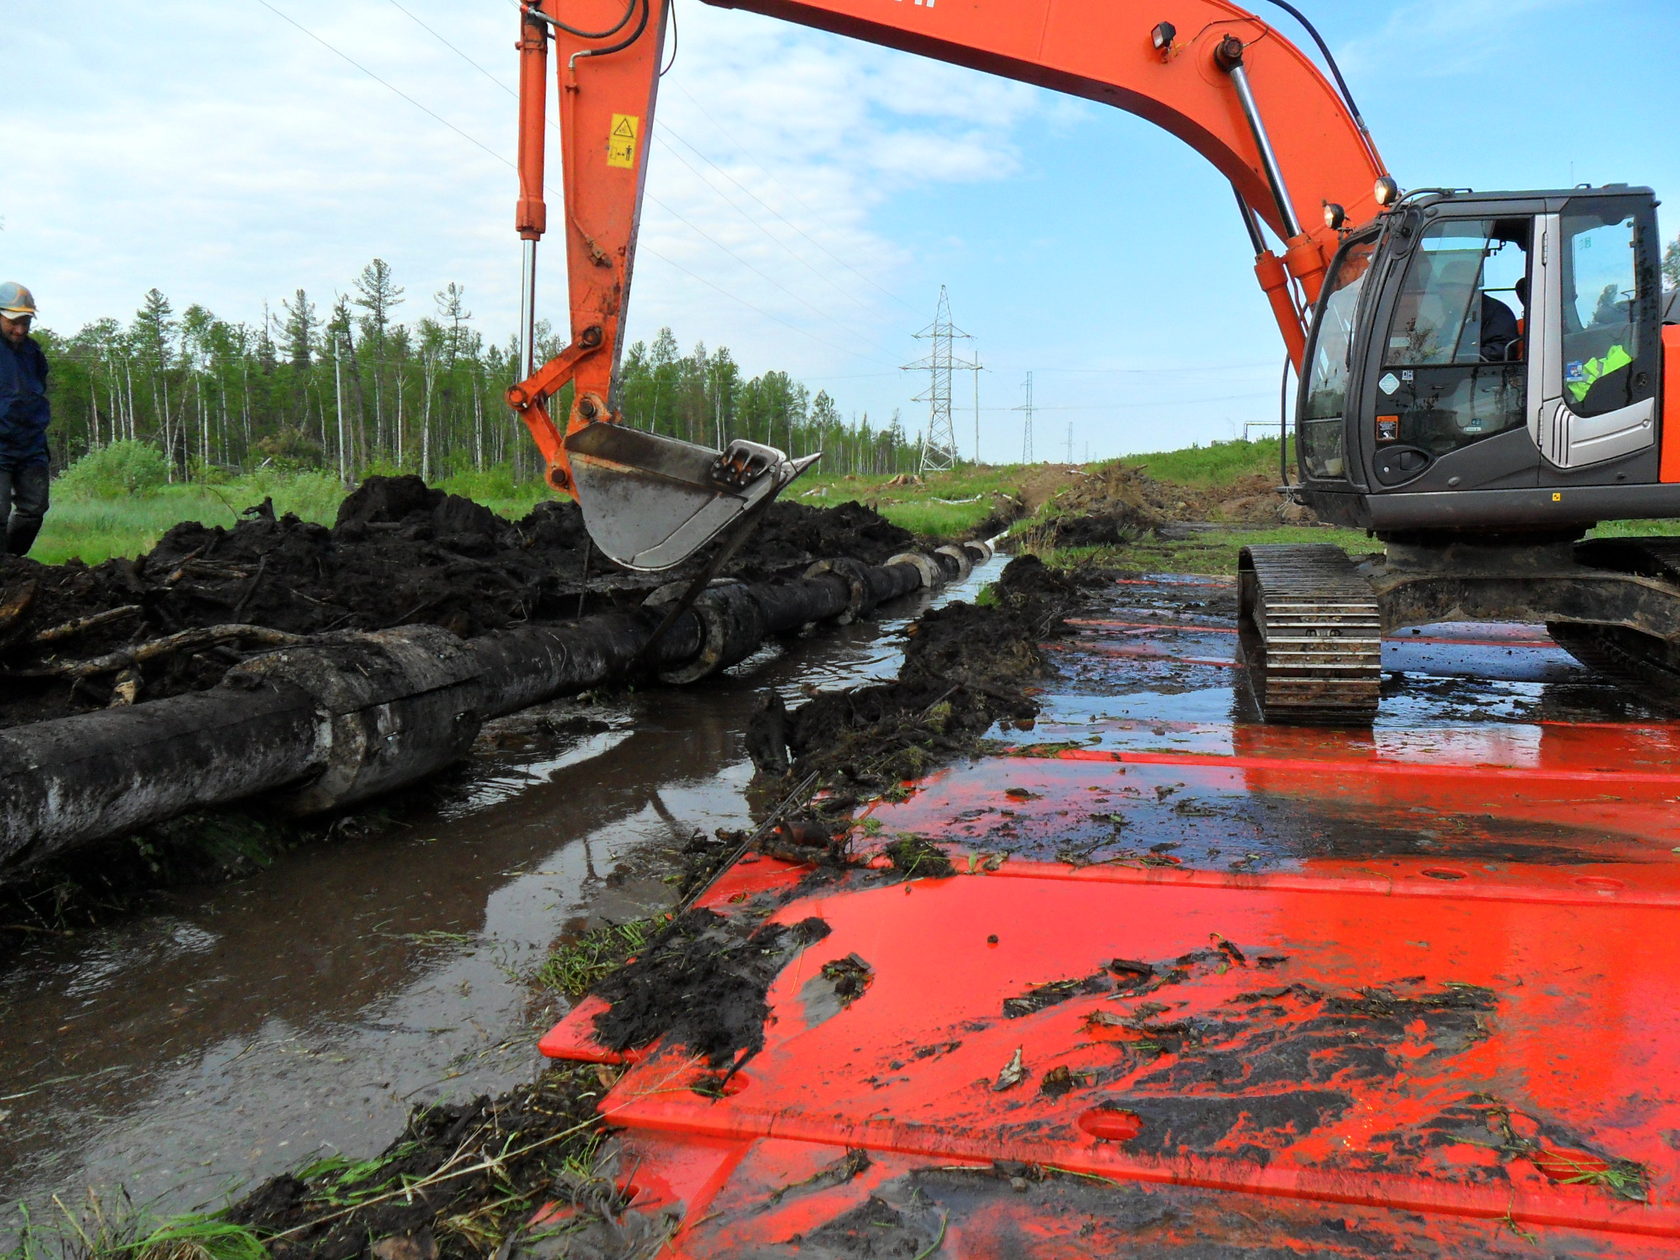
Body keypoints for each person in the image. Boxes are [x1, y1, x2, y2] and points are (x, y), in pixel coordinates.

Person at [0, 281, 51, 557]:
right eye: (13, 322)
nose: (19, 329)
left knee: (34, 510)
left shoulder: (34, 354)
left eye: (25, 322)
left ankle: (12, 564)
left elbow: (38, 392)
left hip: (31, 445)